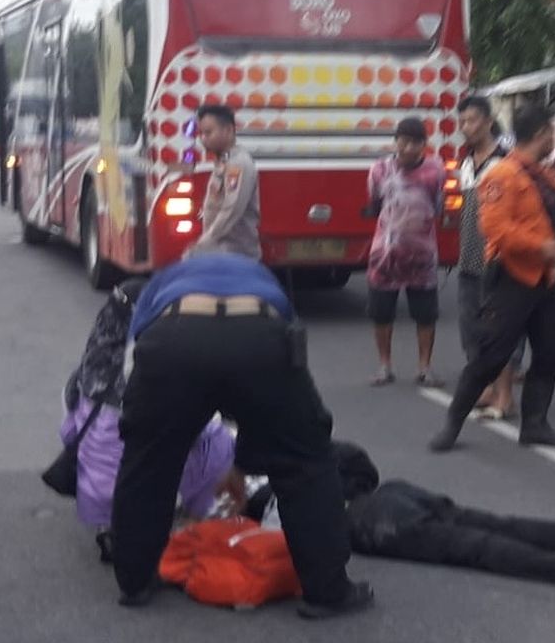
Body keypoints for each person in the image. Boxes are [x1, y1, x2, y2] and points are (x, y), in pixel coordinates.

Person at [110, 253, 373, 619]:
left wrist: (148, 428)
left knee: (147, 462)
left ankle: (134, 581)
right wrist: (244, 463)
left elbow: (136, 353)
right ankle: (327, 591)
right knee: (305, 458)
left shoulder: (165, 279)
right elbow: (269, 407)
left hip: (173, 340)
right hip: (259, 337)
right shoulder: (260, 276)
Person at [250, 442, 555, 589]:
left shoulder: (260, 492)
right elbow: (362, 467)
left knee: (475, 547)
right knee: (497, 524)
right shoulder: (299, 447)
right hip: (393, 493)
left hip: (368, 522)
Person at [430, 104, 555, 452]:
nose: (554, 139)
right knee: (489, 358)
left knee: (552, 354)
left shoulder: (544, 175)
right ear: (541, 134)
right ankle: (452, 424)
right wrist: (541, 246)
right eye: (551, 133)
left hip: (544, 280)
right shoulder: (502, 175)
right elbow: (494, 228)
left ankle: (535, 424)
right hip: (511, 277)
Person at [59, 279, 237, 560]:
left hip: (97, 484)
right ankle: (187, 518)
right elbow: (193, 428)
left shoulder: (87, 372)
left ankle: (110, 523)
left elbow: (69, 425)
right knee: (219, 442)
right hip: (143, 477)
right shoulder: (160, 372)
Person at [365, 117, 446, 387]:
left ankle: (425, 367)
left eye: (416, 143)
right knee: (381, 313)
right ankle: (384, 365)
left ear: (424, 145)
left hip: (422, 256)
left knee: (426, 314)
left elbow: (437, 206)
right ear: (396, 141)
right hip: (384, 255)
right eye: (405, 141)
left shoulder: (436, 170)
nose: (409, 148)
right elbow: (375, 204)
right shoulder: (379, 170)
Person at [455, 96, 521, 419]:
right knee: (471, 326)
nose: (466, 127)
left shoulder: (506, 163)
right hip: (468, 259)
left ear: (487, 121)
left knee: (499, 329)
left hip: (498, 259)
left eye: (471, 120)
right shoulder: (466, 163)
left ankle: (505, 396)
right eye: (462, 122)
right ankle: (484, 387)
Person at [185, 104, 260, 259]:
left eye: (208, 133)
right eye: (201, 133)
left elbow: (231, 209)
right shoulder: (224, 162)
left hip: (236, 255)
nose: (203, 139)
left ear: (228, 130)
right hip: (221, 253)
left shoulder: (238, 164)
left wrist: (205, 242)